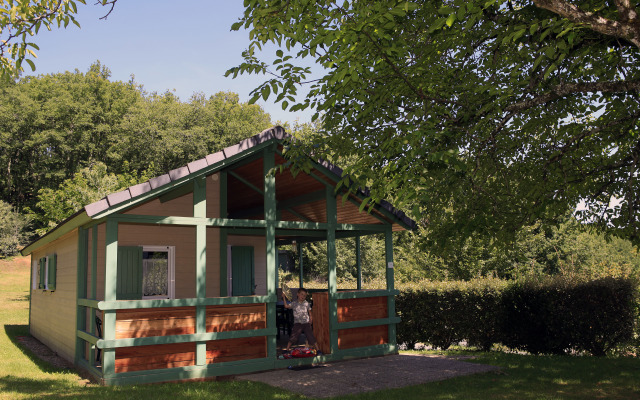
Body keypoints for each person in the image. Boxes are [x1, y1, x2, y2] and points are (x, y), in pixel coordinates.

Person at [282, 287, 319, 352]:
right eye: (301, 294)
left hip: (306, 323)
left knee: (310, 336)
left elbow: (310, 312)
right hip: (297, 324)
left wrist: (311, 319)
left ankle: (318, 350)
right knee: (293, 337)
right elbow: (286, 306)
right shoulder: (294, 303)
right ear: (297, 294)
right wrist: (284, 298)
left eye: (304, 295)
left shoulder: (306, 303)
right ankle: (287, 349)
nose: (303, 296)